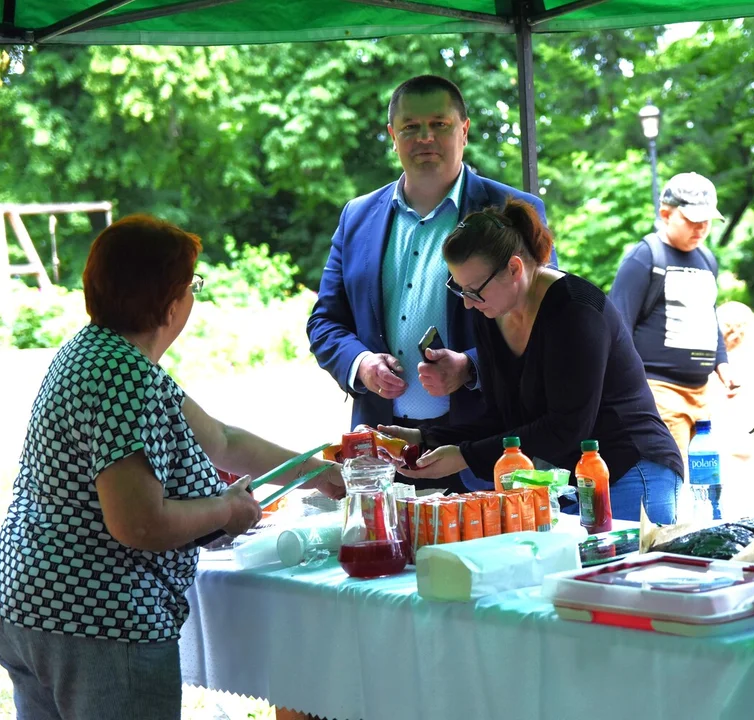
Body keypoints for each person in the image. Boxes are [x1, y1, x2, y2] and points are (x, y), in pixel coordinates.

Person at [0, 215, 345, 720]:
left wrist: (317, 472)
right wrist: (225, 510)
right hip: (100, 618)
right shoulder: (124, 377)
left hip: (33, 605)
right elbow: (139, 522)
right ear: (167, 302)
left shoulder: (98, 353)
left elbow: (222, 440)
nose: (193, 296)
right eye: (192, 284)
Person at [306, 75, 549, 494]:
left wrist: (470, 367)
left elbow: (541, 326)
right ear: (392, 136)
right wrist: (360, 364)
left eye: (439, 124)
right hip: (381, 451)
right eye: (410, 127)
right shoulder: (356, 217)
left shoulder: (512, 211)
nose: (425, 138)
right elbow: (325, 322)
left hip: (483, 448)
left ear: (465, 130)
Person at [383, 199, 684, 523]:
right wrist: (428, 437)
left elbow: (566, 426)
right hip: (571, 478)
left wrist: (464, 456)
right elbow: (504, 420)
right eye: (460, 289)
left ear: (514, 269)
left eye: (474, 290)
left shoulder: (576, 311)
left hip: (631, 468)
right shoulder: (492, 312)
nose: (468, 304)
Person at [609, 172, 738, 469]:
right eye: (692, 220)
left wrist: (723, 364)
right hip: (660, 390)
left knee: (703, 478)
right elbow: (618, 327)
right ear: (665, 213)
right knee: (673, 475)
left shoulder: (706, 258)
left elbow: (709, 316)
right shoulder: (644, 257)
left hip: (702, 393)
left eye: (706, 220)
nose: (701, 228)